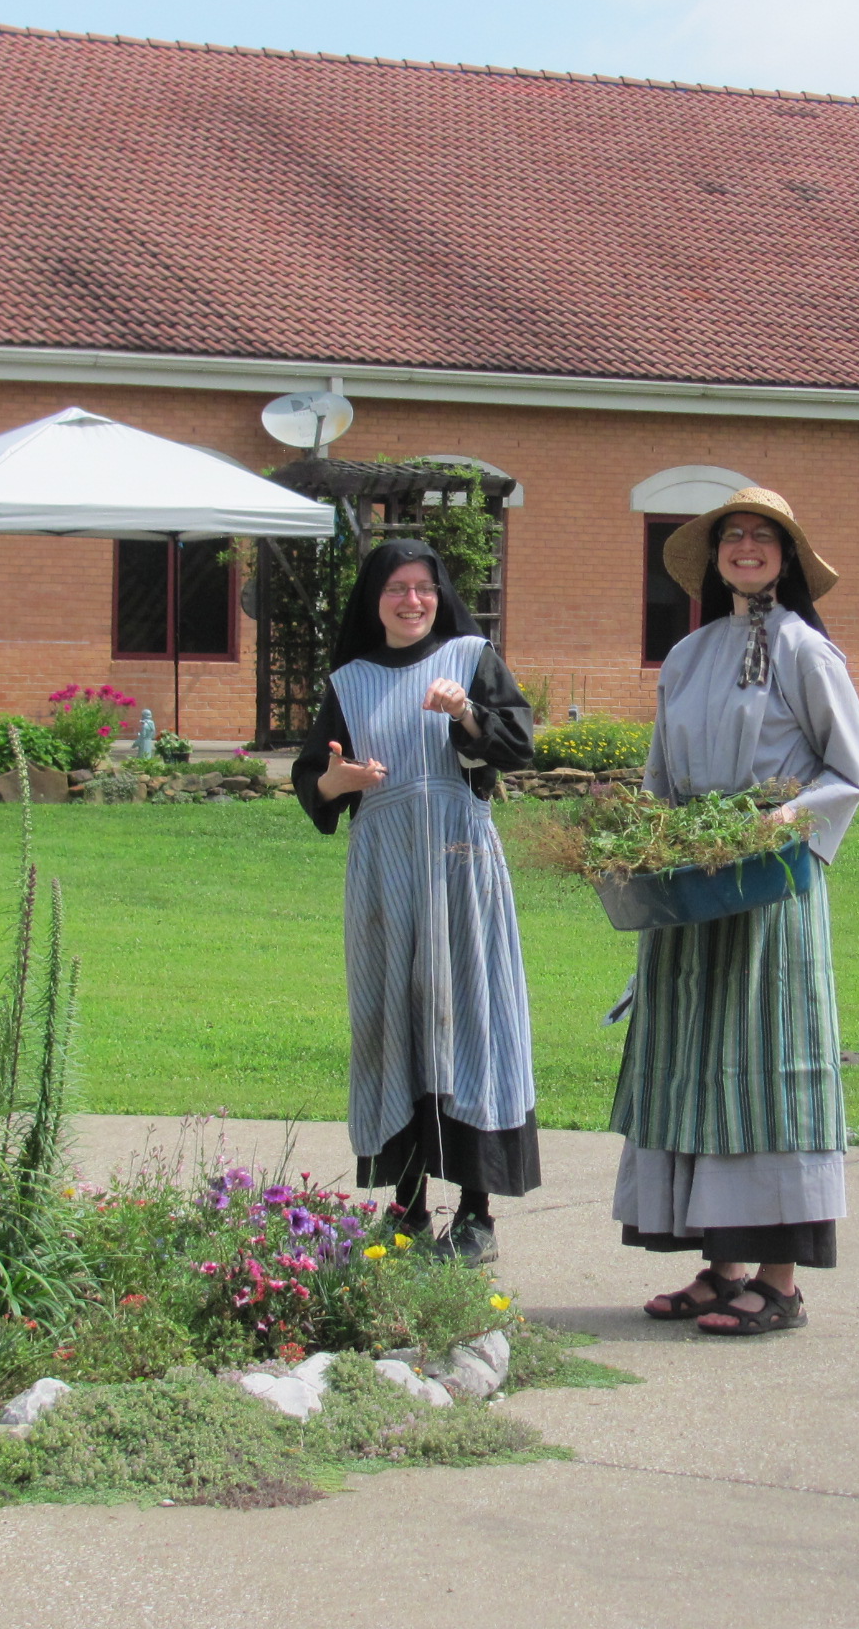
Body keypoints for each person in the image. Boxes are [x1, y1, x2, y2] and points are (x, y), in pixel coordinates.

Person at [612, 487, 859, 1335]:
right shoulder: (687, 655)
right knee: (698, 1059)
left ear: (787, 558)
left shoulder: (806, 652)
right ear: (715, 556)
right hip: (693, 893)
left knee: (767, 1067)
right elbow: (661, 774)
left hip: (770, 895)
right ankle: (721, 1268)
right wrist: (644, 842)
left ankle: (781, 1279)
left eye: (765, 537)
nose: (748, 547)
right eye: (735, 536)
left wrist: (784, 819)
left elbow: (850, 772)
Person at [293, 540, 539, 1259]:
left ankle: (476, 1213)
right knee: (394, 1027)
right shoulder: (351, 680)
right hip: (384, 881)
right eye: (396, 588)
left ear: (440, 594)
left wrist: (466, 715)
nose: (411, 601)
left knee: (470, 1024)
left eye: (423, 587)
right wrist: (339, 783)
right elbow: (316, 780)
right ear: (375, 599)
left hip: (462, 873)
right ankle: (405, 1210)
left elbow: (517, 745)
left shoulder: (469, 659)